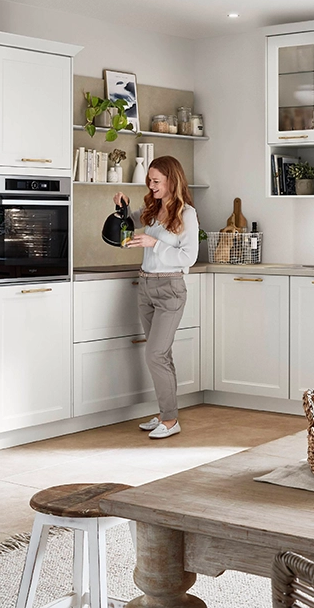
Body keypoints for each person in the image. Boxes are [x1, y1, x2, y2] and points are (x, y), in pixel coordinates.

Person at [114, 156, 199, 439]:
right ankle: (165, 414)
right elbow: (127, 220)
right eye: (149, 180)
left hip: (170, 290)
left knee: (155, 354)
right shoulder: (151, 209)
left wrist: (155, 243)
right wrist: (122, 206)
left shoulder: (187, 214)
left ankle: (171, 421)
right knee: (162, 355)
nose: (151, 186)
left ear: (171, 181)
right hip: (146, 286)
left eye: (156, 181)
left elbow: (189, 257)